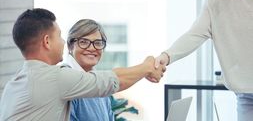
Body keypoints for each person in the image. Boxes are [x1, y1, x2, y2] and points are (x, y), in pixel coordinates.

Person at [0, 8, 165, 121]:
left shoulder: (13, 85)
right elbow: (113, 80)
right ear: (47, 41)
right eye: (59, 36)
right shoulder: (57, 78)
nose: (62, 42)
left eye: (98, 43)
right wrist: (148, 66)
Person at [62, 19, 113, 120]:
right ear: (70, 46)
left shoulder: (101, 83)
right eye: (84, 42)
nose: (92, 48)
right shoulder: (65, 80)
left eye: (98, 43)